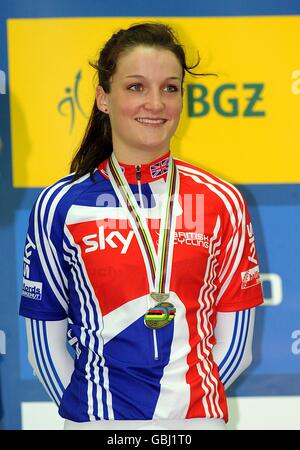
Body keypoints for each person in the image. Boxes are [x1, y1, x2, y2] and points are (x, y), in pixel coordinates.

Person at [19, 22, 264, 431]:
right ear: (103, 98)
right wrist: (98, 420)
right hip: (96, 422)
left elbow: (236, 346)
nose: (155, 103)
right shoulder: (59, 204)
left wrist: (180, 415)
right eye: (136, 87)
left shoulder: (222, 201)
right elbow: (44, 347)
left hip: (196, 422)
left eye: (170, 88)